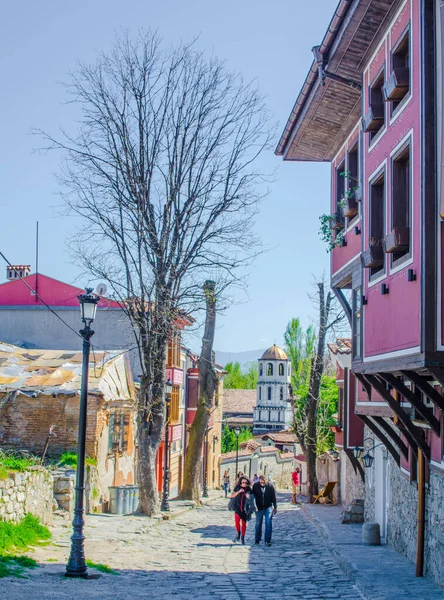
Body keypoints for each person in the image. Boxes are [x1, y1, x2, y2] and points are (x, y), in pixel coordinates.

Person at [252, 475, 277, 546]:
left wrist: (275, 507)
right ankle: (257, 539)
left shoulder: (270, 486)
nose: (262, 484)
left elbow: (273, 497)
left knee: (268, 523)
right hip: (258, 508)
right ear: (259, 481)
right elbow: (252, 495)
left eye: (264, 482)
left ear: (266, 481)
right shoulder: (255, 486)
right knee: (258, 524)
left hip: (268, 507)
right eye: (261, 483)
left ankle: (267, 540)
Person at [230, 476, 253, 545]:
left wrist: (249, 497)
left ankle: (242, 537)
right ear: (240, 482)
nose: (244, 484)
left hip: (245, 509)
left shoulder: (249, 489)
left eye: (246, 483)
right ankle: (238, 533)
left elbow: (252, 498)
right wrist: (238, 492)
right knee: (237, 523)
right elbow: (232, 495)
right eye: (243, 482)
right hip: (237, 508)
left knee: (244, 524)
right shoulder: (237, 487)